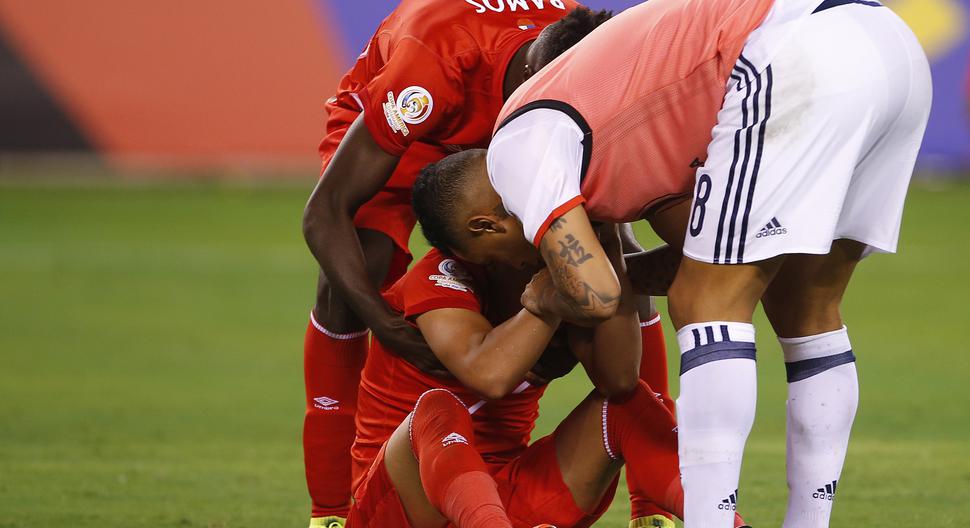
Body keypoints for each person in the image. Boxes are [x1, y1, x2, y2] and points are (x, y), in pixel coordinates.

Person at [417, 0, 932, 526]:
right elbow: (704, 251)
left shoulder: (513, 152)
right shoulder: (619, 143)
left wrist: (540, 295)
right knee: (806, 304)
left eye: (494, 261)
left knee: (706, 303)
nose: (514, 267)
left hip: (792, 53)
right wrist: (613, 274)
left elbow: (595, 294)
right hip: (893, 51)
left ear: (485, 226)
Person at [298, 1, 596, 524]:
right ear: (533, 76)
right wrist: (385, 325)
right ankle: (328, 512)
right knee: (355, 278)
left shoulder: (580, 60)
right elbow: (324, 213)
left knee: (600, 246)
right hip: (404, 132)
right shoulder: (431, 62)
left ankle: (650, 506)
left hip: (503, 127)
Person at [345, 206, 747, 527]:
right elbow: (491, 376)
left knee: (622, 406)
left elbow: (622, 381)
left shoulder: (556, 273)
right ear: (487, 228)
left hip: (505, 500)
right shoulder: (439, 277)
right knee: (437, 408)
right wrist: (542, 307)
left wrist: (606, 244)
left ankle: (724, 521)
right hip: (400, 508)